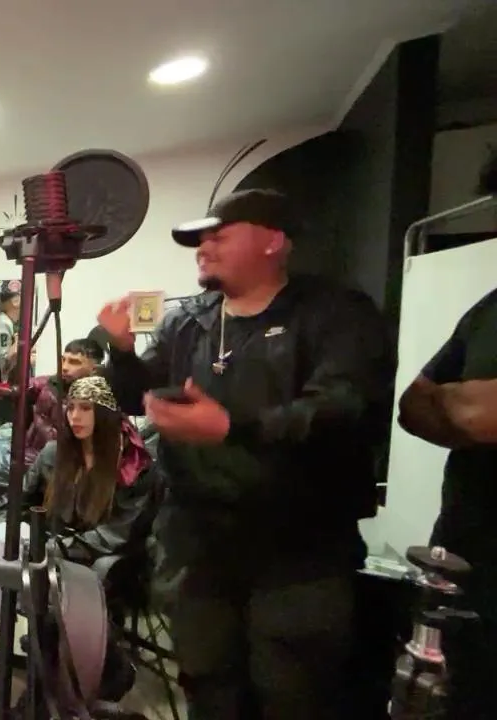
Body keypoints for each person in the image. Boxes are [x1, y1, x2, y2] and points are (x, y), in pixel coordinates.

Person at [97, 189, 394, 719]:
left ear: (273, 241)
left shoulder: (334, 314)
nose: (203, 248)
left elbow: (344, 408)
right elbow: (138, 396)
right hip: (198, 544)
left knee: (292, 693)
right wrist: (121, 354)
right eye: (200, 240)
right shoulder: (187, 322)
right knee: (209, 689)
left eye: (219, 236)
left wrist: (234, 426)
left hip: (298, 551)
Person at [0, 376, 154, 719]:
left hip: (91, 562)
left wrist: (51, 550)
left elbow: (115, 535)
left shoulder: (131, 465)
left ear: (105, 414)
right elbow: (19, 504)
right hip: (45, 550)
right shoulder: (54, 454)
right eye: (71, 408)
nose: (75, 416)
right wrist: (16, 533)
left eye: (86, 409)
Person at [396, 287, 497, 720]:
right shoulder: (490, 308)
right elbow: (413, 405)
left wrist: (452, 402)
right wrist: (470, 409)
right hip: (467, 560)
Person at [25, 337, 105, 464]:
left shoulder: (98, 402)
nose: (64, 367)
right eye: (63, 360)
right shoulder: (52, 382)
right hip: (27, 451)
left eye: (74, 362)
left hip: (55, 463)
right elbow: (21, 386)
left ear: (94, 369)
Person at [0, 285, 21, 425]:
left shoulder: (10, 323)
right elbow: (2, 361)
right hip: (5, 390)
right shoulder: (2, 323)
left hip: (12, 388)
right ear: (15, 301)